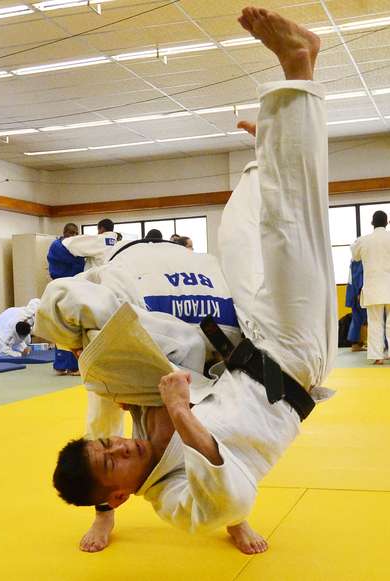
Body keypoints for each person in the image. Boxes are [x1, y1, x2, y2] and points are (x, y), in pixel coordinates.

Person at [45, 8, 336, 554]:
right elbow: (228, 501)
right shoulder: (173, 498)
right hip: (294, 360)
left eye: (108, 445)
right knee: (290, 230)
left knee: (239, 234)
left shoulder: (141, 426)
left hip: (251, 341)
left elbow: (140, 363)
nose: (120, 448)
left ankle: (266, 153)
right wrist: (179, 411)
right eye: (113, 461)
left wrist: (81, 339)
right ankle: (299, 67)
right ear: (120, 495)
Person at [36, 229, 239, 553]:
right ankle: (104, 512)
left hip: (178, 333)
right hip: (161, 329)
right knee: (102, 433)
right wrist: (83, 347)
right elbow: (61, 294)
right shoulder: (125, 267)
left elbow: (59, 267)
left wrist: (80, 346)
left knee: (222, 426)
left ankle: (236, 518)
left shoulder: (126, 279)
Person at [352, 211, 390, 365]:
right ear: (387, 222)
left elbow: (355, 256)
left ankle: (377, 356)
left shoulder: (363, 240)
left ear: (372, 222)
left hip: (373, 288)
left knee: (375, 322)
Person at [47, 223, 86, 375]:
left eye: (76, 233)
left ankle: (73, 365)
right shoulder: (57, 246)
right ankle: (63, 365)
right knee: (64, 326)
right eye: (71, 232)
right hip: (62, 288)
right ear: (65, 232)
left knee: (74, 326)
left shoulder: (74, 246)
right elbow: (77, 261)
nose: (74, 235)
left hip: (74, 287)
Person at [345, 259, 367, 351]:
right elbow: (359, 277)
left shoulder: (353, 260)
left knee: (356, 318)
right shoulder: (359, 260)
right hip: (358, 293)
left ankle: (355, 344)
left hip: (352, 291)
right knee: (366, 318)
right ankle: (361, 343)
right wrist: (359, 292)